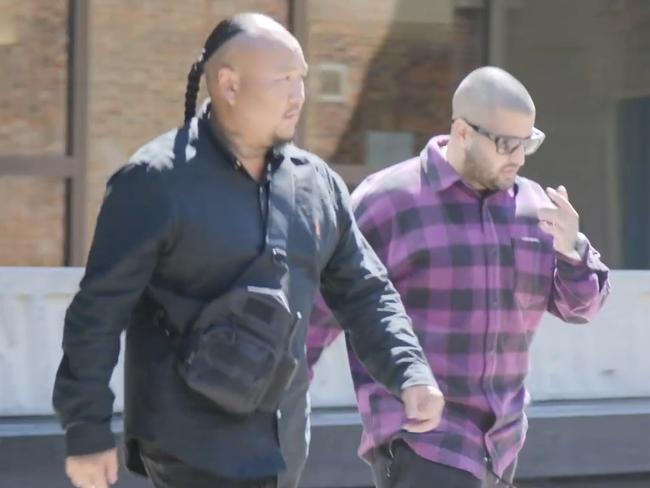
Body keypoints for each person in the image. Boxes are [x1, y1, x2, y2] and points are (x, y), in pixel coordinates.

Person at [52, 13, 445, 488]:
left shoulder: (316, 184)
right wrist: (86, 430)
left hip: (283, 442)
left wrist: (409, 372)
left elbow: (366, 290)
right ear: (229, 85)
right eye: (282, 79)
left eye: (301, 79)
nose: (298, 94)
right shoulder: (154, 183)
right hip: (187, 442)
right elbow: (97, 315)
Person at [307, 66, 611, 488]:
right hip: (422, 439)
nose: (519, 158)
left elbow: (582, 308)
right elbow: (320, 308)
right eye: (507, 144)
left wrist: (573, 249)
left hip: (501, 445)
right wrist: (274, 400)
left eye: (529, 143)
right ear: (463, 132)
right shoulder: (388, 201)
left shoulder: (536, 207)